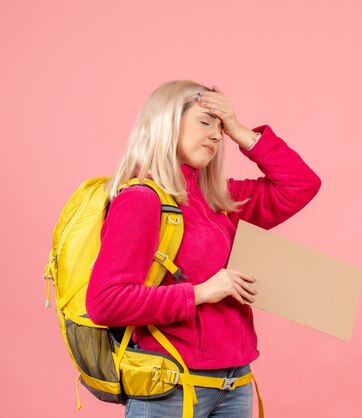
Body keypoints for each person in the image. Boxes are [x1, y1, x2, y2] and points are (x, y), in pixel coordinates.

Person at [85, 80, 322, 417]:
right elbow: (106, 302)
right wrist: (201, 292)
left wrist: (240, 130)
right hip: (171, 387)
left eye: (220, 127)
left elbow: (301, 184)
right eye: (205, 122)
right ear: (167, 122)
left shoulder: (218, 200)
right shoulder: (141, 199)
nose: (216, 135)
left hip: (234, 383)